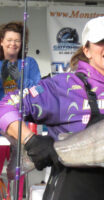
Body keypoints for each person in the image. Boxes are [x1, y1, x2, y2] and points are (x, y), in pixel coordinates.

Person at [0, 16, 104, 200]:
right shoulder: (62, 86)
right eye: (102, 41)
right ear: (87, 50)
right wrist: (30, 140)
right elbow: (5, 106)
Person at [0, 21, 41, 200]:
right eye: (9, 39)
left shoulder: (29, 63)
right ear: (1, 42)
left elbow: (38, 90)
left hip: (21, 126)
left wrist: (21, 79)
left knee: (17, 174)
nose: (13, 44)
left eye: (17, 40)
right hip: (1, 127)